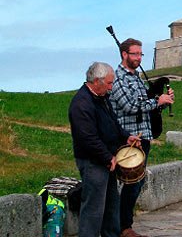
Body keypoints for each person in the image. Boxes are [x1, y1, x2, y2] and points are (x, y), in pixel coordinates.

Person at [109, 38, 174, 237]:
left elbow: (145, 104)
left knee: (136, 182)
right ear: (124, 55)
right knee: (130, 183)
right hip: (127, 139)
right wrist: (157, 100)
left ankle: (123, 225)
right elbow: (130, 106)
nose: (138, 58)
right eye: (135, 54)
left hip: (142, 137)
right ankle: (122, 227)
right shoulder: (118, 79)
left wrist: (163, 101)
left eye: (140, 54)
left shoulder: (136, 77)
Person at [68, 62, 140, 237]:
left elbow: (113, 124)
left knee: (111, 205)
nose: (111, 87)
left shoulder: (102, 98)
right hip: (93, 161)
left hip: (108, 159)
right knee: (94, 208)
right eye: (109, 83)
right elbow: (87, 139)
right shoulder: (81, 103)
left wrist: (126, 137)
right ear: (97, 81)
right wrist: (108, 157)